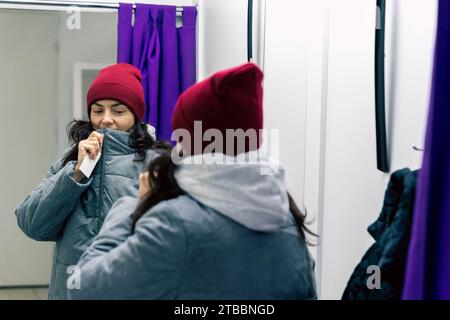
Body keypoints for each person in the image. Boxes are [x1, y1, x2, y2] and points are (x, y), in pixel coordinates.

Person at [69, 63, 318, 300]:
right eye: (98, 110)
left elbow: (86, 288)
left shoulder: (175, 223)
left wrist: (133, 206)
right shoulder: (284, 217)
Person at [16, 63, 160, 300]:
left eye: (118, 110)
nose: (106, 120)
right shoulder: (70, 160)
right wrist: (76, 174)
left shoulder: (155, 165)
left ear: (135, 116)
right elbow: (32, 224)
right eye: (97, 110)